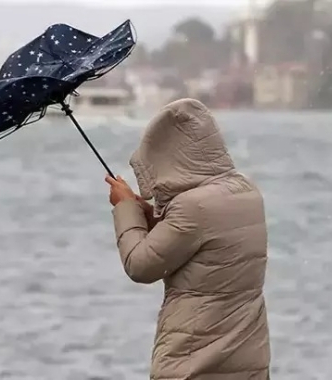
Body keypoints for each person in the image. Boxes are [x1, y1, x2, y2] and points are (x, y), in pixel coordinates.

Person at [105, 98, 270, 380]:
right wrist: (146, 212)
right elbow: (201, 241)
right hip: (246, 354)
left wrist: (125, 208)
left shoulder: (192, 207)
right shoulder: (245, 190)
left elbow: (140, 266)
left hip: (194, 359)